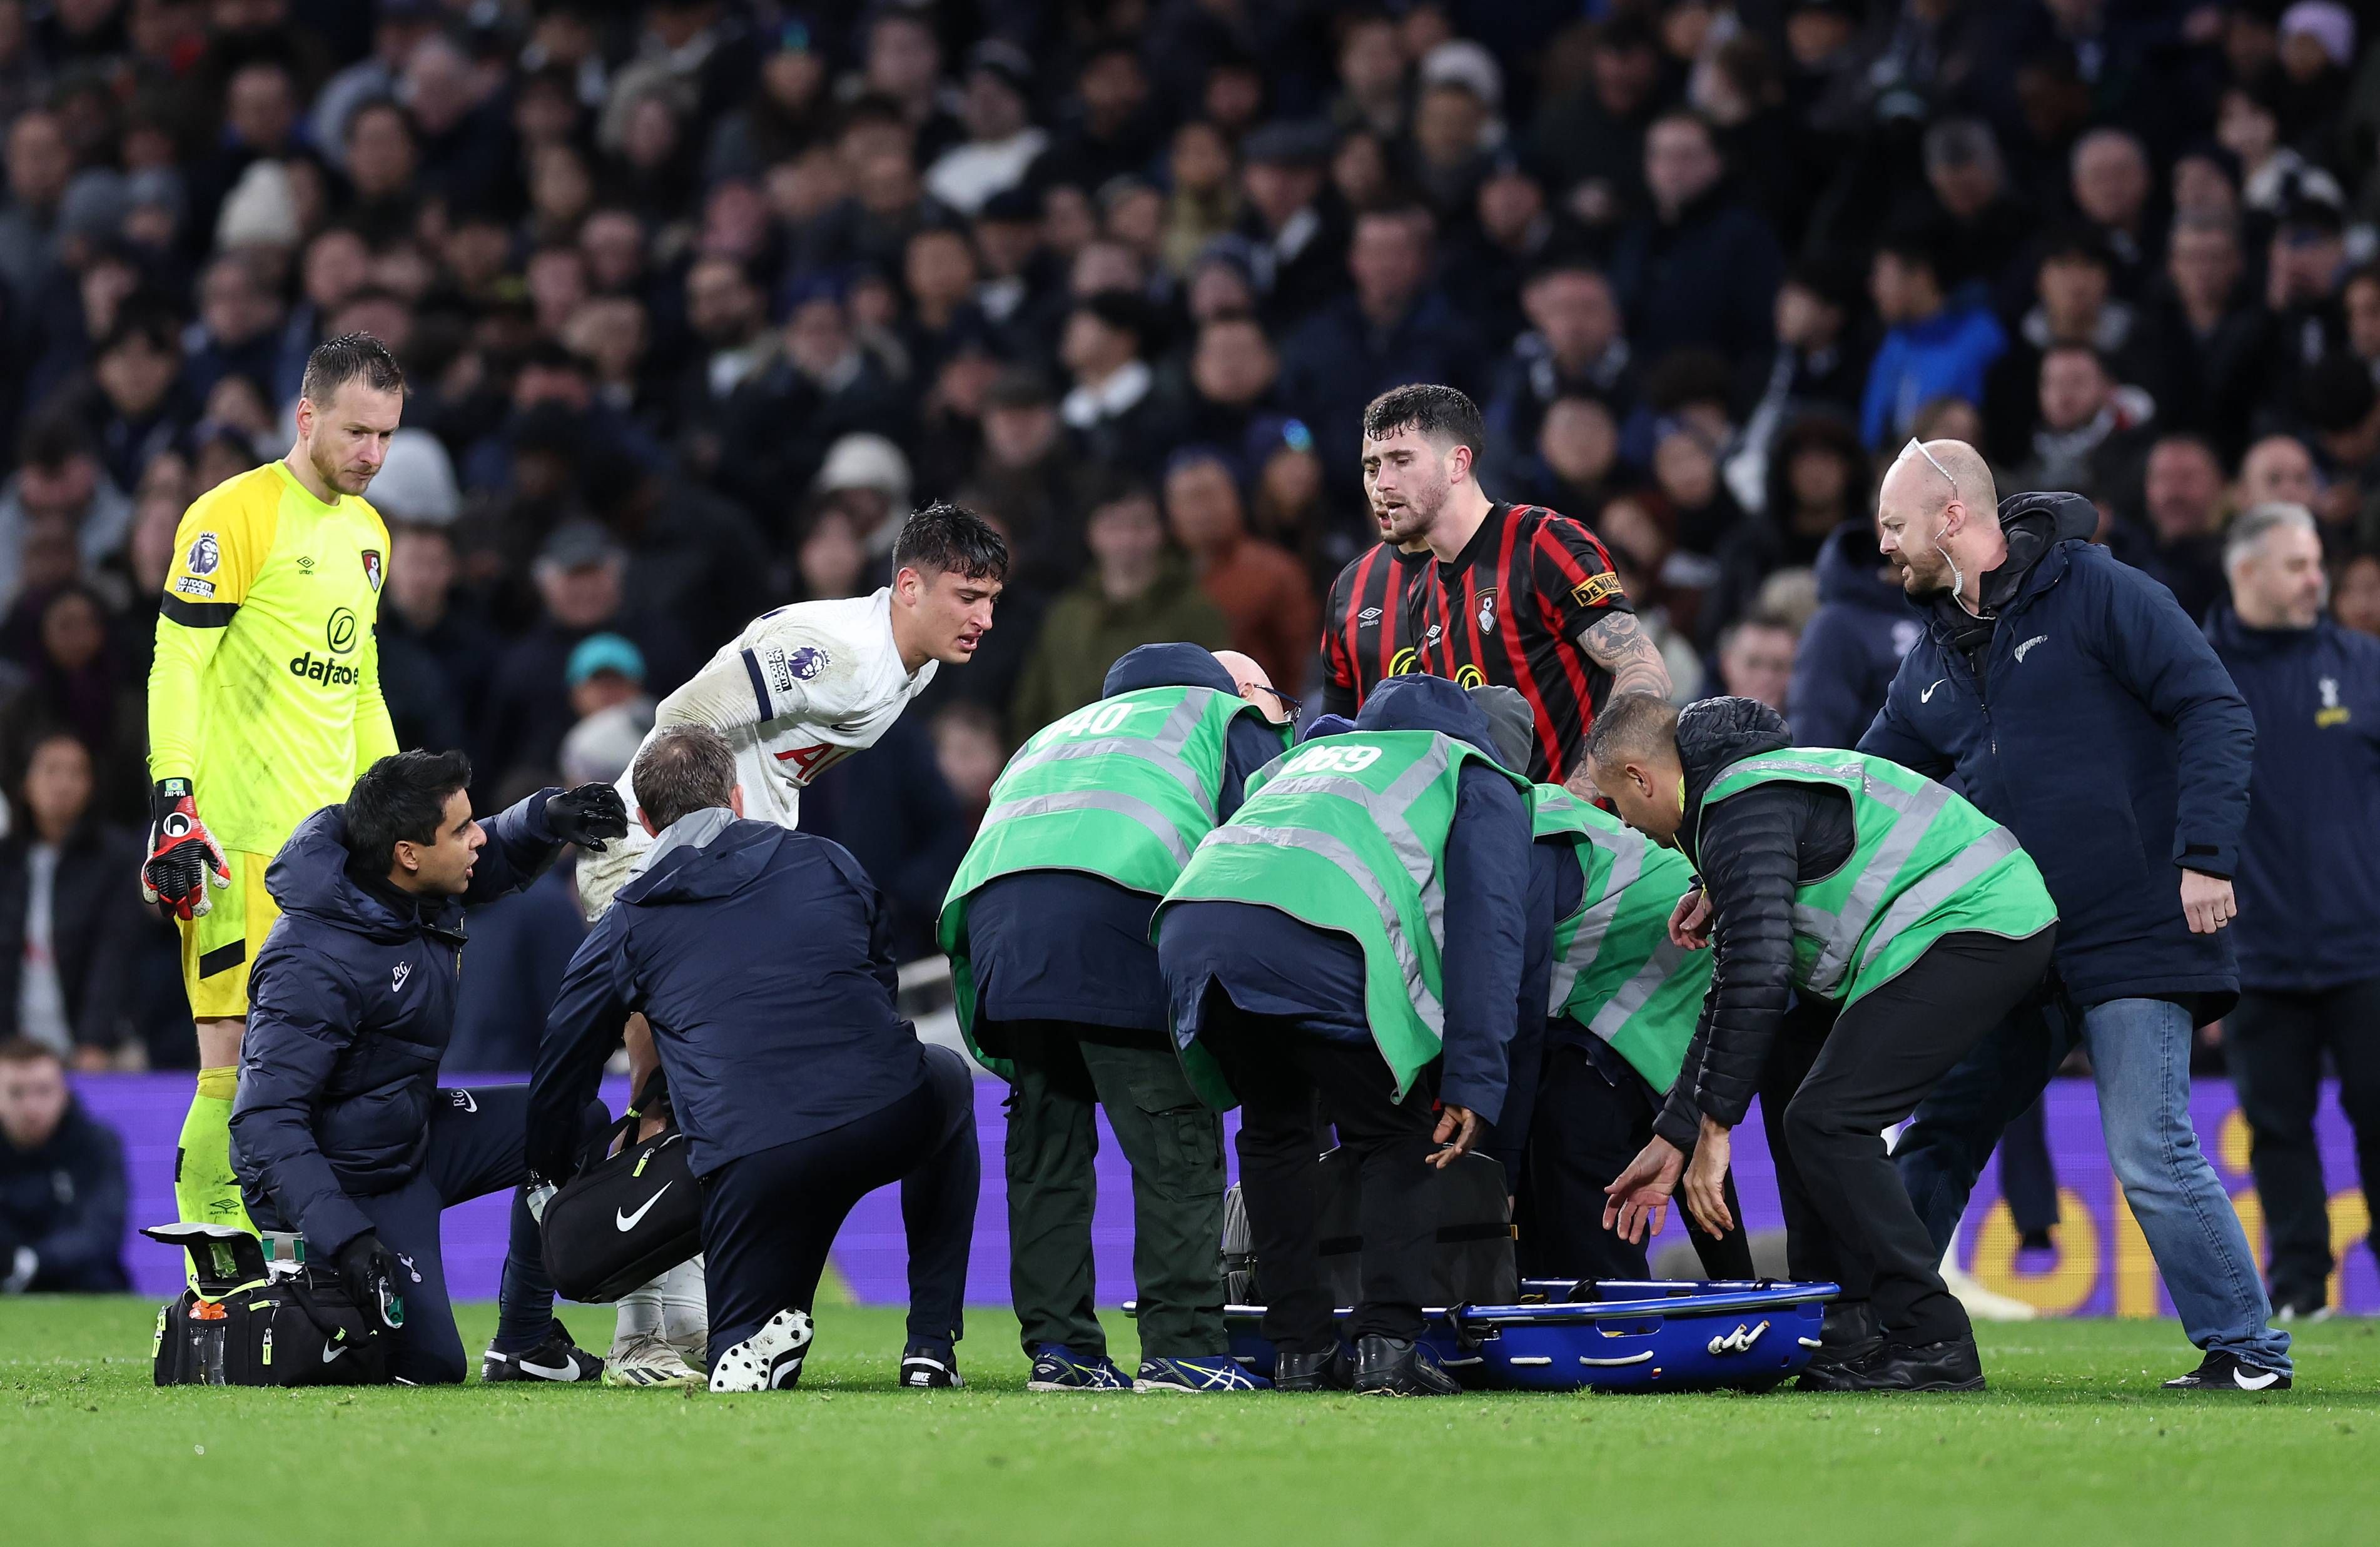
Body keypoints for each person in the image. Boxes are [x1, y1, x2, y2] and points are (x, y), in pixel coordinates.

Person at [1859, 438, 2292, 1391]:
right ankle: (1881, 1329)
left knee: (2148, 1142)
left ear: (1950, 517)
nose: (1883, 545)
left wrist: (2205, 854)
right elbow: (1868, 790)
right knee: (1940, 1130)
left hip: (2134, 921)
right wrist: (1754, 855)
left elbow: (2213, 707)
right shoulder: (1929, 654)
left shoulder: (2100, 591)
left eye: (1894, 525)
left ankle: (2248, 1351)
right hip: (2015, 936)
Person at [569, 501, 1008, 1388]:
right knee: (668, 1096)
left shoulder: (909, 667)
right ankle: (641, 1334)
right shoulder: (838, 652)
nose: (984, 618)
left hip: (722, 870)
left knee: (705, 1100)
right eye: (967, 595)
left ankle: (686, 1313)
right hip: (654, 860)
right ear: (909, 585)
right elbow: (685, 715)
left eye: (993, 599)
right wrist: (712, 844)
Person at [1593, 693, 2057, 1393]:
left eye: (1615, 803)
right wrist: (1677, 1132)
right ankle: (1841, 1322)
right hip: (1964, 918)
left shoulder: (1738, 810)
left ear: (1639, 777)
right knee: (1791, 1067)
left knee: (1828, 1117)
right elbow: (1737, 988)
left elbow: (1757, 968)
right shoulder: (1747, 792)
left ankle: (1933, 1338)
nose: (1623, 822)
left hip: (1973, 922)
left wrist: (1714, 1128)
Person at [530, 727, 980, 1394]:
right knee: (946, 1078)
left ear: (647, 821)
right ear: (736, 797)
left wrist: (548, 1170)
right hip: (881, 1107)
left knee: (735, 1352)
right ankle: (930, 1345)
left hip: (750, 1151)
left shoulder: (629, 917)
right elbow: (876, 985)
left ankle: (753, 1339)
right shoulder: (827, 859)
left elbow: (560, 1060)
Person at [1155, 675, 1532, 1396]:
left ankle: (1298, 1350)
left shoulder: (1299, 759)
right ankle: (1387, 1346)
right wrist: (1472, 1080)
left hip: (1196, 932)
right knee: (1395, 1135)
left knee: (1274, 1133)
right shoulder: (1467, 770)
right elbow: (1491, 933)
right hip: (1323, 934)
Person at [941, 643, 1290, 1393]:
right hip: (1118, 923)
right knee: (1174, 1143)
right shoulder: (1222, 717)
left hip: (1002, 936)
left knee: (1047, 1153)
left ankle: (1061, 1352)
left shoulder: (1058, 729)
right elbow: (1266, 849)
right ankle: (1184, 1348)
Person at [228, 750, 629, 1384]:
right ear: (409, 853)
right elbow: (263, 1121)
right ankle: (303, 1271)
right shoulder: (311, 961)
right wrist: (347, 1236)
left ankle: (525, 1340)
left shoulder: (407, 882)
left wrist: (547, 815)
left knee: (573, 1117)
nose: (478, 836)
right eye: (462, 828)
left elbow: (492, 853)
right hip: (346, 1185)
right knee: (431, 1366)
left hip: (409, 1137)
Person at [143, 333, 405, 1240]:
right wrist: (173, 798)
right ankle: (212, 1271)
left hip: (328, 862)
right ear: (307, 417)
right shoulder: (235, 514)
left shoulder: (370, 536)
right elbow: (178, 658)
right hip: (236, 842)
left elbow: (360, 681)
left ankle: (292, 1263)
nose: (372, 455)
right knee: (232, 1062)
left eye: (387, 437)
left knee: (312, 1074)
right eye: (357, 432)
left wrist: (398, 808)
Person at [2205, 503, 2380, 1319]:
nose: (2318, 579)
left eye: (2317, 562)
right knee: (2275, 1132)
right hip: (2257, 957)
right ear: (2246, 572)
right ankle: (2300, 1290)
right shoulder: (2197, 676)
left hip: (2366, 948)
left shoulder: (2363, 664)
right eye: (2298, 565)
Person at [1504, 737, 1753, 1284]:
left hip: (1635, 1009)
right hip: (1658, 1001)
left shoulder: (1512, 833)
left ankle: (1616, 1325)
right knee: (1686, 1164)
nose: (1619, 818)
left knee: (1581, 1147)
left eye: (1617, 801)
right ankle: (1746, 1307)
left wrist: (1501, 1162)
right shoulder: (1539, 813)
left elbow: (1511, 1005)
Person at [1359, 384, 1669, 785]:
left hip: (1587, 835)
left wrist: (1575, 798)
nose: (1382, 484)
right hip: (1501, 835)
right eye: (1372, 467)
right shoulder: (1420, 592)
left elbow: (1645, 671)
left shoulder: (1542, 542)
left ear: (1457, 465)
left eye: (1402, 461)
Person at [0, 730, 151, 1061]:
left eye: (76, 772)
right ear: (25, 780)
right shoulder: (7, 860)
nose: (63, 784)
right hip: (12, 1046)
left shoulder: (116, 857)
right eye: (51, 770)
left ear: (92, 784)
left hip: (97, 1046)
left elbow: (114, 951)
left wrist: (94, 1040)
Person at [0, 1037, 129, 1293]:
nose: (31, 1107)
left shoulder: (96, 1144)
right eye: (16, 1093)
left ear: (64, 1092)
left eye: (43, 1091)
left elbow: (102, 1231)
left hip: (84, 1283)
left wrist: (30, 1263)